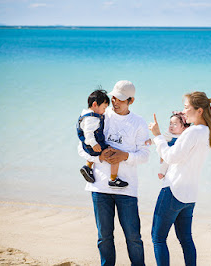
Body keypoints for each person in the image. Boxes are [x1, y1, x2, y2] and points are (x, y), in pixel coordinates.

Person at [78, 80, 150, 266]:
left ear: (131, 101)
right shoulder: (100, 115)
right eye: (113, 98)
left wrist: (124, 156)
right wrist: (100, 156)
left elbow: (144, 156)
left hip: (126, 189)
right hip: (99, 187)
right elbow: (81, 148)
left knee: (133, 237)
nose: (115, 102)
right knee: (104, 237)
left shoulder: (139, 123)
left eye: (121, 100)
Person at [148, 91, 211, 266]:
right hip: (190, 195)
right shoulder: (206, 132)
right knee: (186, 239)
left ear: (199, 110)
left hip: (174, 190)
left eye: (186, 108)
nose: (183, 111)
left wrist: (157, 136)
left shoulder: (192, 132)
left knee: (158, 238)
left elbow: (171, 157)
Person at [77, 89, 128, 188]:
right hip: (92, 145)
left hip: (88, 145)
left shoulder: (85, 115)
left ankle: (88, 166)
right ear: (95, 105)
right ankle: (113, 179)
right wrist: (93, 143)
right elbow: (88, 133)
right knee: (115, 156)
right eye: (104, 107)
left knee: (102, 150)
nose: (104, 110)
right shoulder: (91, 119)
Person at [157, 111, 190, 180]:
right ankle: (162, 172)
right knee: (167, 162)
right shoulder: (170, 136)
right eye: (170, 124)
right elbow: (159, 139)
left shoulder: (184, 137)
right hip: (169, 154)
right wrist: (150, 141)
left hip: (178, 159)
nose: (171, 126)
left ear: (184, 127)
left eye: (175, 124)